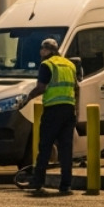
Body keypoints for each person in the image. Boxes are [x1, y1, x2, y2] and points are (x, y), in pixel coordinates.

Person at [24, 37, 78, 196]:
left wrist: (27, 98)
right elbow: (76, 87)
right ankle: (66, 185)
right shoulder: (70, 64)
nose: (40, 52)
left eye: (42, 49)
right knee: (66, 149)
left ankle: (37, 181)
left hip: (53, 110)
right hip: (69, 110)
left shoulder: (47, 65)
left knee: (45, 147)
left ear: (46, 50)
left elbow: (41, 88)